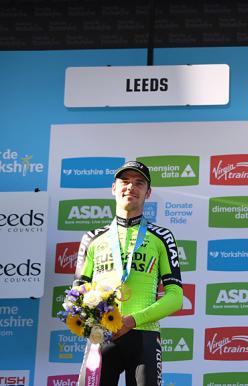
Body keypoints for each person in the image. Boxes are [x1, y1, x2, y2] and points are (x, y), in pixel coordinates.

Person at [73, 160, 183, 386]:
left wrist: (133, 320)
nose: (131, 187)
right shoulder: (93, 238)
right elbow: (78, 292)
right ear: (114, 188)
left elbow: (176, 297)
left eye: (139, 183)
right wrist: (93, 319)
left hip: (143, 335)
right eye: (125, 181)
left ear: (148, 192)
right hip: (102, 336)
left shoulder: (162, 237)